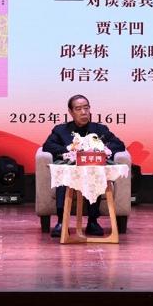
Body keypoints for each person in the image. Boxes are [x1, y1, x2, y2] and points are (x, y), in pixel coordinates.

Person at [42, 94, 126, 238]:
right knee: (64, 175)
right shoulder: (61, 130)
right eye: (78, 109)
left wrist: (100, 149)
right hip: (71, 170)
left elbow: (119, 144)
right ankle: (61, 222)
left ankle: (93, 222)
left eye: (86, 108)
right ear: (71, 112)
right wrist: (69, 150)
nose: (83, 112)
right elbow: (48, 146)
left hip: (92, 170)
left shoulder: (99, 129)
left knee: (95, 175)